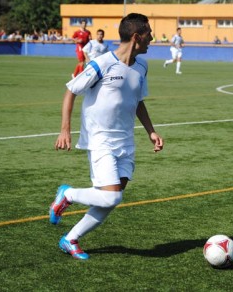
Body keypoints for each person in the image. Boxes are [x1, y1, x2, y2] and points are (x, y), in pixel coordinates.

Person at [49, 12, 164, 260]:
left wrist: (151, 131)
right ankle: (67, 194)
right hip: (100, 139)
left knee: (110, 199)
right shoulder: (102, 63)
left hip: (126, 141)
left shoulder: (142, 66)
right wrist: (65, 129)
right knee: (111, 195)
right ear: (136, 37)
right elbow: (71, 91)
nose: (152, 38)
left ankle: (70, 239)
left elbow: (138, 101)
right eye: (149, 33)